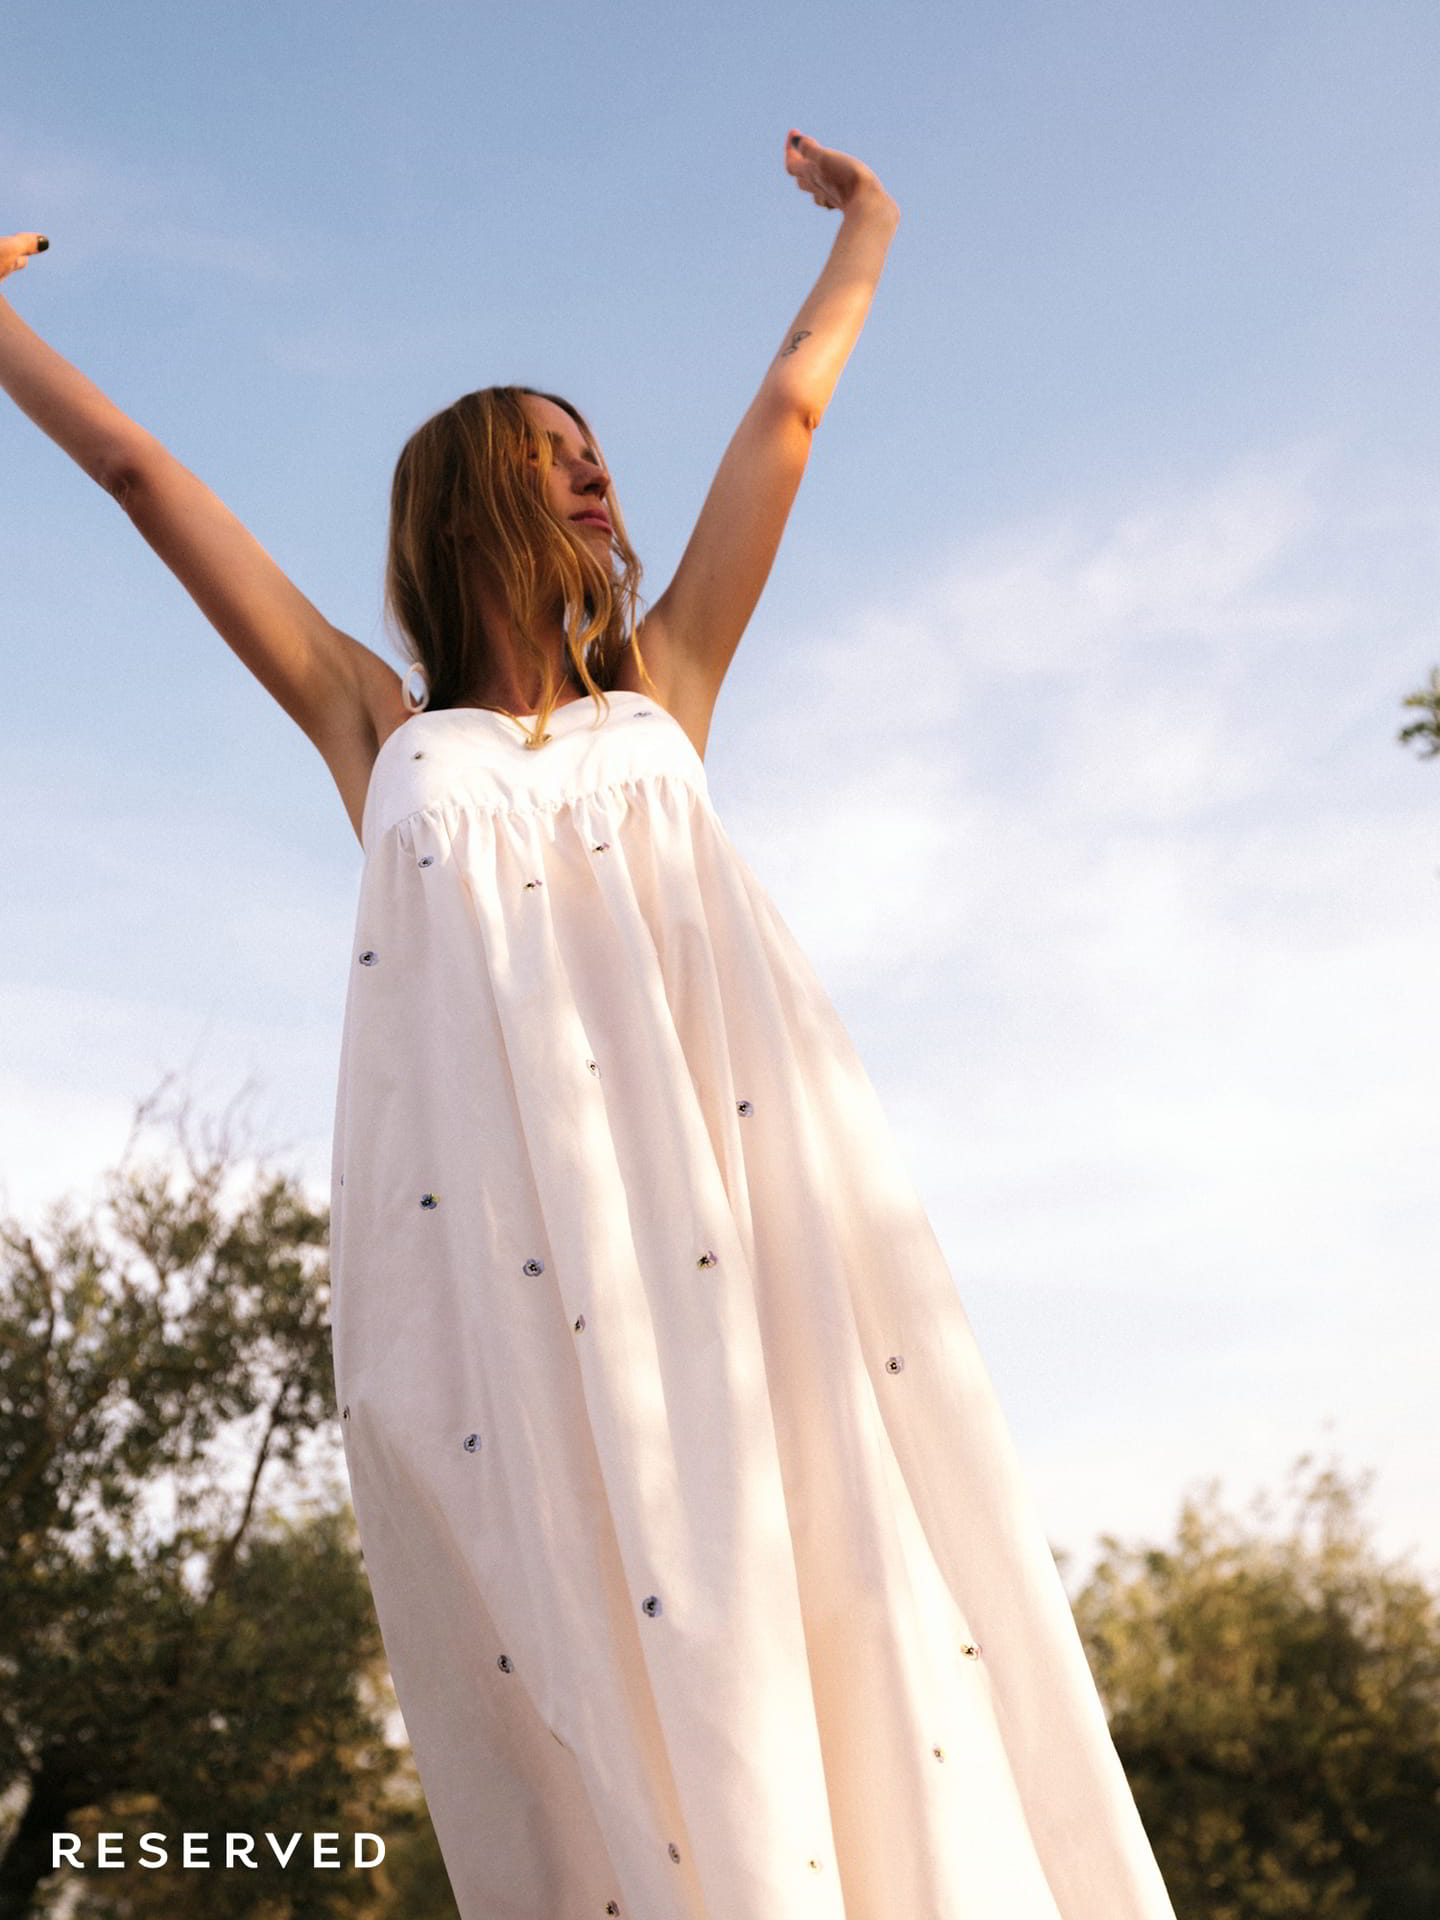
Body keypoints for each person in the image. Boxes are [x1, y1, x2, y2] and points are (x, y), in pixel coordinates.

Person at [1, 133, 1176, 1920]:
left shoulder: (667, 688)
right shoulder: (374, 726)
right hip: (503, 1270)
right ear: (467, 500)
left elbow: (788, 415)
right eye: (549, 451)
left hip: (737, 1221)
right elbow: (144, 479)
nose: (591, 469)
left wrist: (871, 228)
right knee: (571, 1645)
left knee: (816, 1585)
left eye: (593, 447)